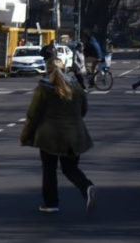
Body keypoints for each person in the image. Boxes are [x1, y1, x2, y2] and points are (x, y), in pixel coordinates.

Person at [19, 57, 97, 214]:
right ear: (65, 68)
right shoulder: (76, 86)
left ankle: (51, 203)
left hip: (49, 137)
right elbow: (83, 109)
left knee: (49, 169)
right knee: (70, 168)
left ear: (47, 70)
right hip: (75, 136)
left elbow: (33, 115)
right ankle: (86, 186)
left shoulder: (44, 89)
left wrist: (25, 137)